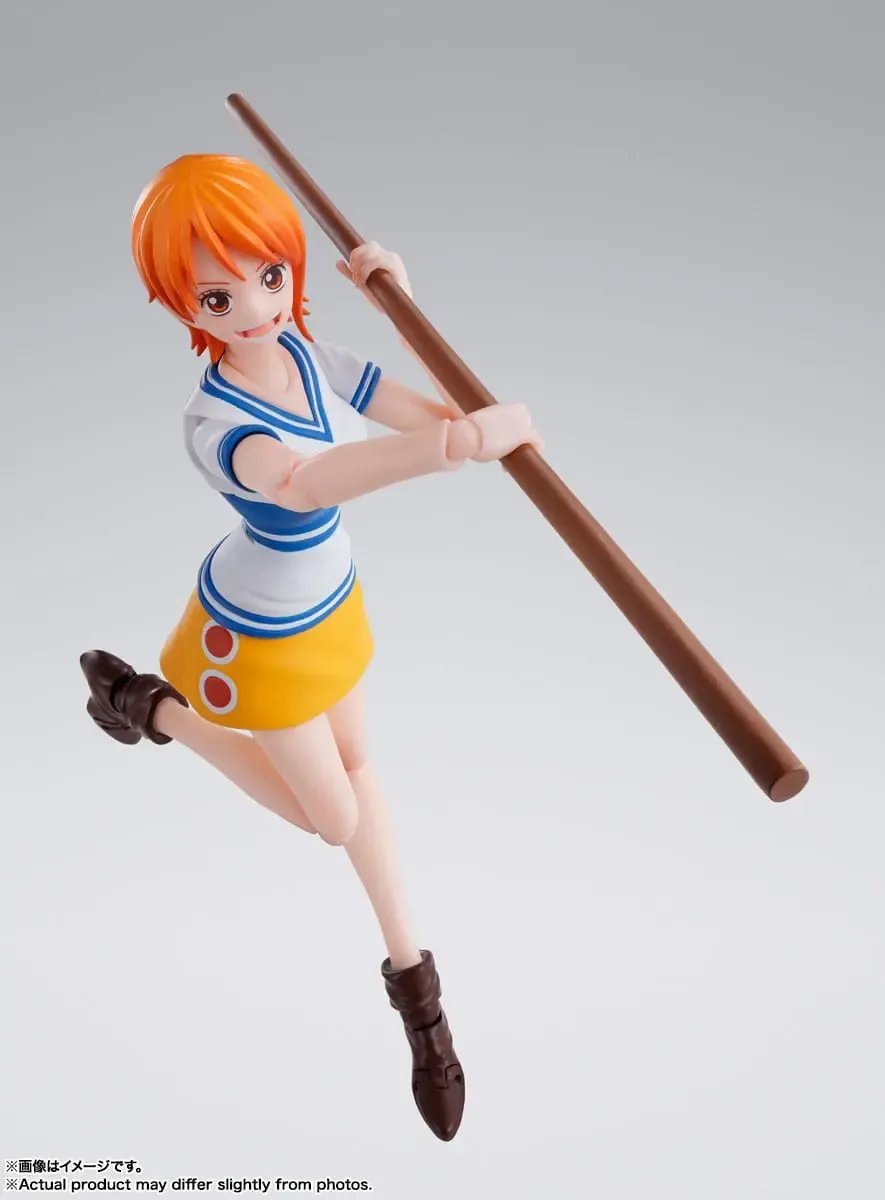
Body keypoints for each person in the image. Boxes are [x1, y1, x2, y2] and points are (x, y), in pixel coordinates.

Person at [80, 153, 542, 1142]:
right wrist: (455, 448)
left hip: (331, 604)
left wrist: (401, 311)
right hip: (259, 635)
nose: (254, 307)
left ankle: (419, 992)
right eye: (217, 295)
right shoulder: (214, 421)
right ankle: (156, 708)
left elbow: (429, 411)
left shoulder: (305, 354)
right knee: (332, 818)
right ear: (180, 304)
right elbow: (303, 483)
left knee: (362, 768)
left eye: (270, 275)